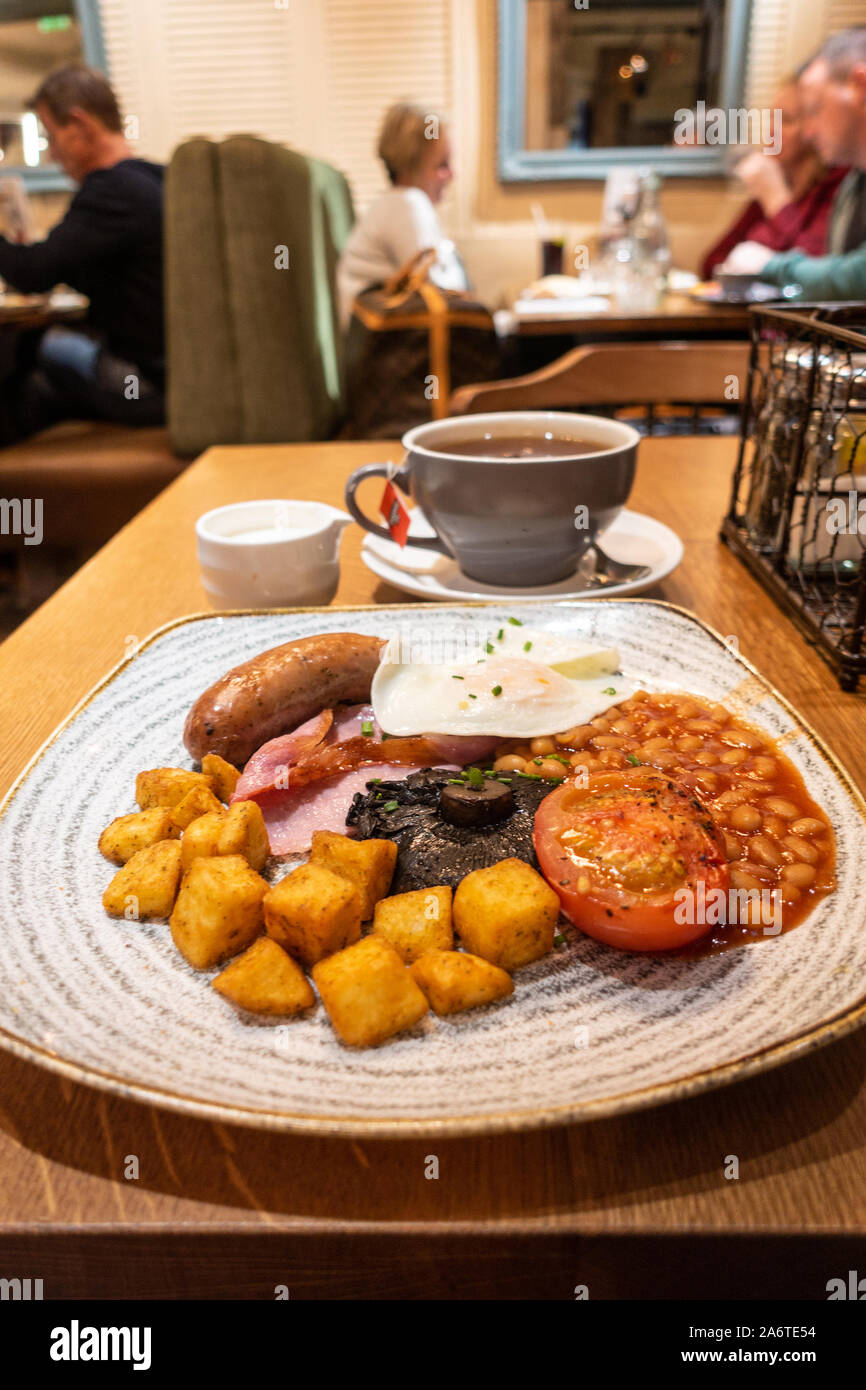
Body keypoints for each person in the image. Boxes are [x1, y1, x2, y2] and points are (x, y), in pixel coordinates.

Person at [0, 65, 165, 443]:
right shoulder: (154, 177)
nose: (53, 154)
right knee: (40, 374)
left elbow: (33, 272)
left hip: (143, 384)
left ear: (79, 124)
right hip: (173, 372)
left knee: (27, 347)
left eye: (52, 137)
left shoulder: (112, 190)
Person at [720, 29, 866, 299]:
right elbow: (716, 263)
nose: (810, 132)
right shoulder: (855, 182)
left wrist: (769, 264)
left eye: (814, 109)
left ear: (860, 87)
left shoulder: (839, 180)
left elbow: (843, 275)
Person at [337, 102, 468, 329]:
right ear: (409, 166)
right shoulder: (407, 204)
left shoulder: (393, 203)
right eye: (442, 165)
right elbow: (447, 293)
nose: (453, 174)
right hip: (387, 348)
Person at [700, 77, 846, 279]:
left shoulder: (837, 184)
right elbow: (712, 264)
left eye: (786, 120)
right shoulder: (776, 179)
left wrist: (776, 199)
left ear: (814, 128)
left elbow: (814, 271)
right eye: (772, 118)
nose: (771, 131)